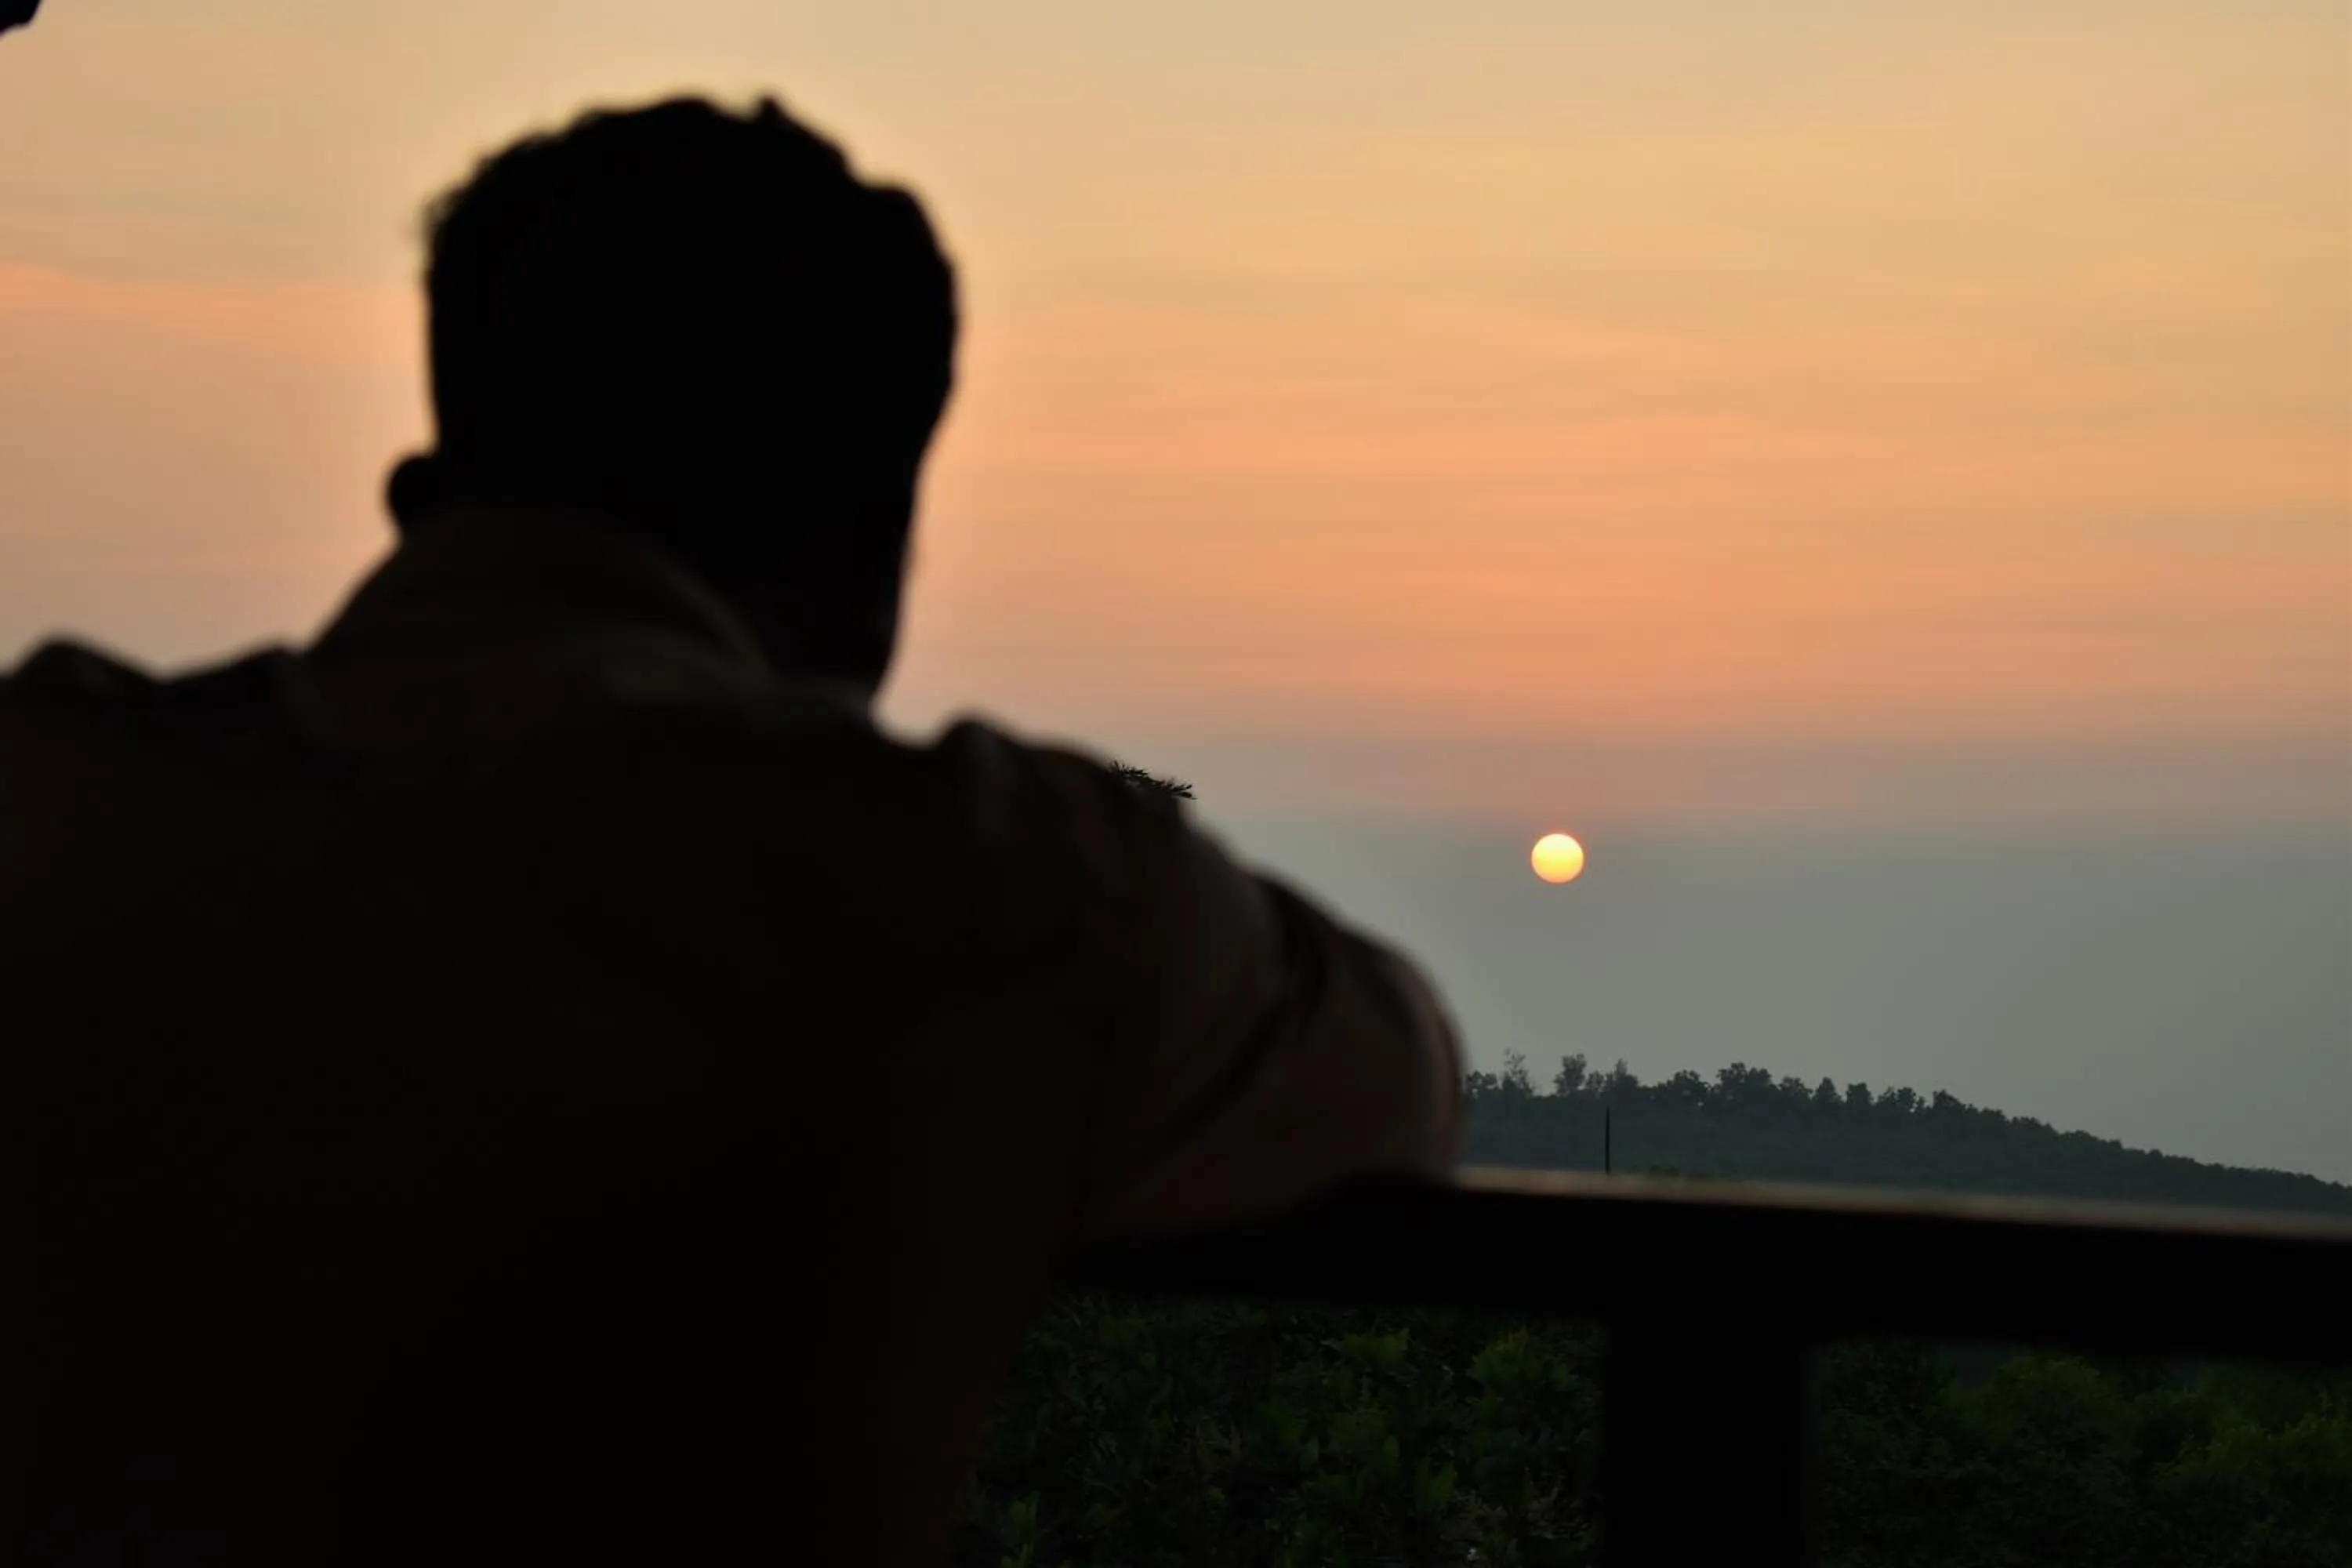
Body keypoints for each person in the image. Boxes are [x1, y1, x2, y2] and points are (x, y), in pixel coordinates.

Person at [2, 96, 1463, 1565]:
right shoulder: (998, 889)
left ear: (427, 494)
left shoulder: (55, 799)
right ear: (872, 543)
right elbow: (1397, 1072)